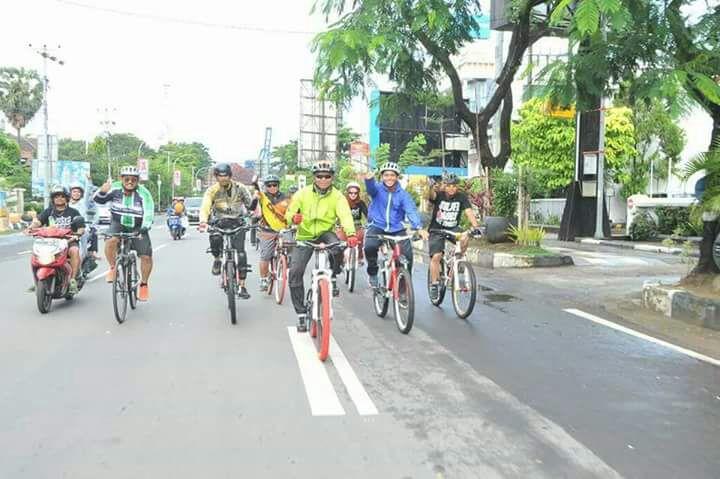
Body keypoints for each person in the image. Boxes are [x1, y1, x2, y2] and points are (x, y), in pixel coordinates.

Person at [285, 161, 358, 332]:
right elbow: (289, 213)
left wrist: (352, 234)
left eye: (327, 176)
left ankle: (332, 277)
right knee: (295, 272)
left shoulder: (338, 196)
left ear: (332, 177)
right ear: (314, 178)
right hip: (305, 234)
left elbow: (346, 216)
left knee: (337, 247)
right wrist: (293, 218)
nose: (323, 179)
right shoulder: (302, 194)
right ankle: (301, 314)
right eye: (320, 176)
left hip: (325, 232)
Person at [93, 166, 155, 301]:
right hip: (118, 223)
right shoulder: (114, 188)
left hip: (138, 226)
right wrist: (102, 191)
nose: (130, 182)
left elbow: (149, 211)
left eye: (133, 179)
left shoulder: (144, 193)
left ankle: (144, 284)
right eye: (127, 179)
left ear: (137, 181)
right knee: (110, 240)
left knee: (146, 256)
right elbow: (98, 200)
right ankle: (112, 267)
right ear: (121, 179)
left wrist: (145, 227)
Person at [363, 162, 428, 287]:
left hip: (396, 228)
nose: (389, 178)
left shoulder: (403, 195)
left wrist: (419, 228)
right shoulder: (377, 189)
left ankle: (403, 287)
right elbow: (370, 189)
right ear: (382, 177)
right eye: (386, 175)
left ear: (397, 177)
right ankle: (372, 273)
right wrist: (369, 179)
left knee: (407, 256)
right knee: (369, 247)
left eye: (392, 175)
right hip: (377, 226)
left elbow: (411, 210)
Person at [198, 163, 254, 299]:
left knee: (240, 253)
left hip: (237, 222)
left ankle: (242, 285)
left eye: (226, 176)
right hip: (219, 222)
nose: (223, 179)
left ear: (230, 176)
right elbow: (205, 206)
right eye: (220, 176)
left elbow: (250, 205)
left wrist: (254, 215)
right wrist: (203, 222)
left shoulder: (241, 188)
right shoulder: (212, 190)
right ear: (216, 177)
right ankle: (217, 259)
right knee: (215, 239)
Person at [427, 173, 483, 300]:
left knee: (465, 236)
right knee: (436, 256)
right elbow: (432, 196)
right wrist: (431, 188)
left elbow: (469, 212)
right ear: (444, 186)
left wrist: (476, 227)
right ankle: (434, 284)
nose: (451, 188)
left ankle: (457, 258)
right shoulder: (439, 195)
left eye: (454, 186)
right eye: (448, 186)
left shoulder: (461, 197)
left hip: (453, 228)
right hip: (437, 229)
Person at [29, 185, 85, 294]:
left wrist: (78, 233)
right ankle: (36, 281)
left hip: (68, 241)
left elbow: (81, 227)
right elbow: (38, 222)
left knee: (74, 251)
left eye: (62, 196)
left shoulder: (73, 212)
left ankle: (73, 280)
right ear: (53, 199)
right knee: (35, 255)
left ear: (67, 198)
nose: (59, 198)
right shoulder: (48, 212)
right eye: (56, 196)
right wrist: (31, 228)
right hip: (50, 242)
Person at [254, 174, 290, 292]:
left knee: (293, 249)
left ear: (278, 185)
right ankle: (263, 279)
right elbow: (252, 206)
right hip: (267, 230)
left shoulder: (286, 198)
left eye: (275, 185)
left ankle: (285, 266)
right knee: (266, 255)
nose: (272, 187)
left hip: (283, 230)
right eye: (269, 185)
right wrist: (255, 196)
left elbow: (295, 210)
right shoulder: (262, 197)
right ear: (265, 186)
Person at [335, 181, 367, 263]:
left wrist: (371, 222)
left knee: (360, 240)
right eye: (351, 193)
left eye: (355, 193)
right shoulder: (342, 202)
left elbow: (367, 214)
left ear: (358, 193)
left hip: (357, 227)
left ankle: (359, 257)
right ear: (347, 193)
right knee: (340, 244)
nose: (353, 195)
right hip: (343, 228)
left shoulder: (361, 203)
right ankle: (339, 260)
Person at [69, 182, 99, 259]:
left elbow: (88, 192)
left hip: (82, 229)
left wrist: (89, 181)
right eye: (74, 192)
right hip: (68, 228)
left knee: (84, 236)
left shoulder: (83, 203)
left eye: (78, 192)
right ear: (70, 193)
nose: (76, 193)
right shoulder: (66, 204)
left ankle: (83, 257)